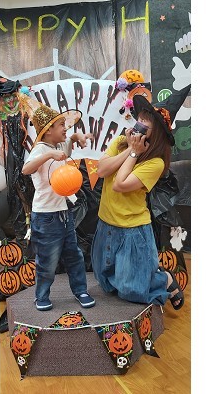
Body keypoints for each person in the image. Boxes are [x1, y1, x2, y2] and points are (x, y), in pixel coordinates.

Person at [91, 95, 184, 310]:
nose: (139, 125)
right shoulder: (121, 143)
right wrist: (129, 149)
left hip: (132, 229)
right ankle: (142, 274)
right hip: (106, 222)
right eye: (139, 119)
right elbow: (102, 170)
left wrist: (134, 152)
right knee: (104, 280)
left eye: (146, 123)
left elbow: (120, 184)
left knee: (132, 290)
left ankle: (164, 279)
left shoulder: (156, 163)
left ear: (156, 133)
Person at [22, 104, 95, 311]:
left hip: (64, 213)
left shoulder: (58, 146)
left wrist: (76, 138)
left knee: (74, 255)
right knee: (47, 261)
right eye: (61, 125)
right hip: (45, 217)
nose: (66, 128)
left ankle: (81, 291)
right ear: (48, 130)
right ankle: (41, 296)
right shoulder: (40, 149)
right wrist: (48, 156)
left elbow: (66, 148)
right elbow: (26, 169)